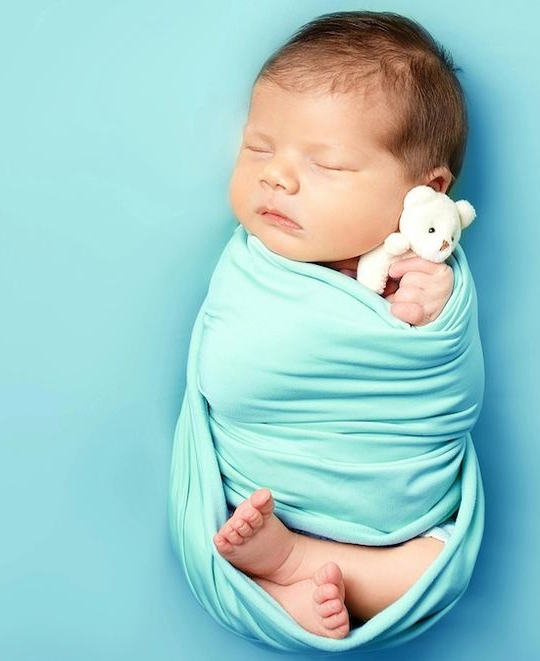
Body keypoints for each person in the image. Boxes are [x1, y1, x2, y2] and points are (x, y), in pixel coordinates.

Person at [205, 11, 471, 639]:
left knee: (437, 568)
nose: (276, 175)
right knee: (228, 520)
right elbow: (234, 367)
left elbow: (444, 377)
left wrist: (434, 305)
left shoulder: (420, 269)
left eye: (326, 164)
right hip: (269, 480)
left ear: (424, 194)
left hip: (393, 522)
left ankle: (290, 566)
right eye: (259, 148)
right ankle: (284, 565)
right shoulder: (257, 267)